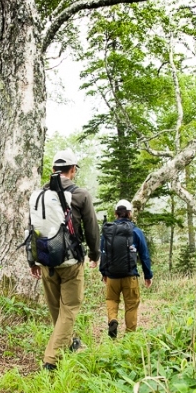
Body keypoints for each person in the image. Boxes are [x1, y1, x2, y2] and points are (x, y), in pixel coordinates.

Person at [30, 149, 100, 371]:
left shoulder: (38, 195)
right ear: (72, 170)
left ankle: (69, 344)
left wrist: (32, 260)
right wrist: (94, 255)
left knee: (57, 310)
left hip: (45, 260)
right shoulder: (80, 195)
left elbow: (30, 229)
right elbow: (91, 228)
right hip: (70, 262)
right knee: (69, 308)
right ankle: (51, 361)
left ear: (53, 170)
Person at [99, 199, 153, 338]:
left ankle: (113, 320)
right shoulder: (136, 231)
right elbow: (144, 255)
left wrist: (103, 272)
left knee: (111, 300)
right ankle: (129, 337)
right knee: (131, 305)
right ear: (129, 214)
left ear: (115, 214)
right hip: (130, 276)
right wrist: (148, 275)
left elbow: (103, 252)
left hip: (112, 276)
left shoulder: (108, 231)